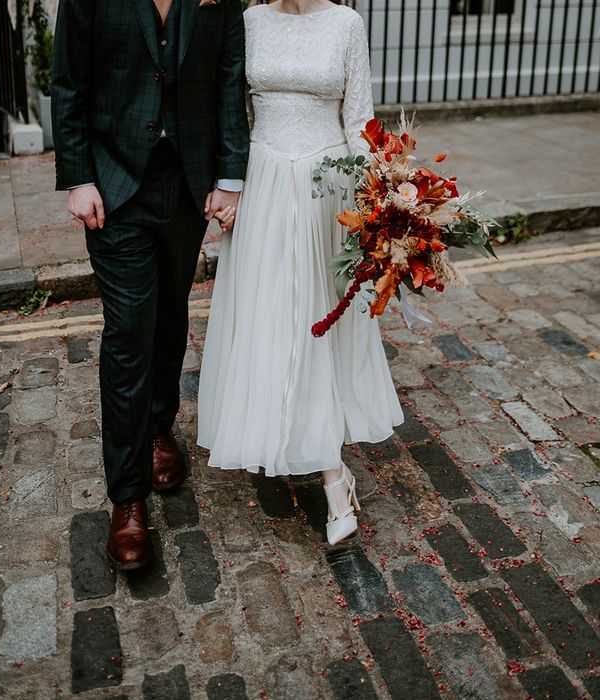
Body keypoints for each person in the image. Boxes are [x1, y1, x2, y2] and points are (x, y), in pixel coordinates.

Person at [197, 0, 404, 545]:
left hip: (326, 189)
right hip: (263, 179)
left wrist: (376, 201)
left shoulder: (346, 24)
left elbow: (359, 120)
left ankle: (334, 475)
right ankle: (280, 433)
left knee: (315, 322)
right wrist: (229, 184)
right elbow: (231, 110)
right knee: (271, 318)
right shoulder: (249, 20)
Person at [52, 0, 250, 570]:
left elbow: (228, 81)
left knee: (169, 318)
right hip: (116, 190)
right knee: (129, 331)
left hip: (187, 185)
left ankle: (161, 427)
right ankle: (128, 497)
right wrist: (79, 177)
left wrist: (230, 176)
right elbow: (68, 83)